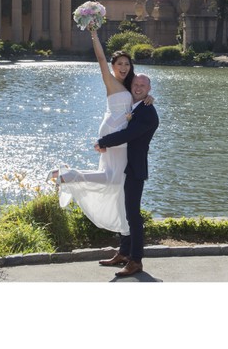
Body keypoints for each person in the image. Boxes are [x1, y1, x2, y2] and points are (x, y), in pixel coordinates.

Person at [49, 28, 147, 236]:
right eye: (119, 64)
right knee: (115, 180)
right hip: (115, 131)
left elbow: (141, 93)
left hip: (116, 129)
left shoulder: (129, 85)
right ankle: (67, 175)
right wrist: (94, 34)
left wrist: (150, 98)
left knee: (114, 179)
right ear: (112, 67)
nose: (123, 67)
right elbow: (101, 58)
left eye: (127, 64)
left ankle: (67, 174)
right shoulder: (110, 81)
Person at [94, 73, 159, 277]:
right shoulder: (134, 105)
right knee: (122, 210)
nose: (138, 87)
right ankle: (123, 253)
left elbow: (128, 135)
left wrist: (103, 141)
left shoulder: (148, 113)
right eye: (136, 84)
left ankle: (136, 260)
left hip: (134, 169)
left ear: (149, 89)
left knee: (133, 215)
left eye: (143, 85)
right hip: (123, 165)